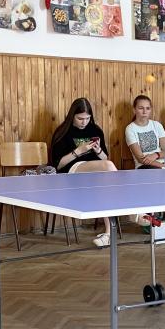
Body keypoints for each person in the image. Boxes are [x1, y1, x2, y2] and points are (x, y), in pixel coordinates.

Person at [51, 98, 118, 247]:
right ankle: (134, 214)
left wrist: (98, 150)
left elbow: (104, 158)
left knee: (106, 186)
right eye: (80, 118)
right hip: (72, 171)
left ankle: (108, 233)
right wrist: (78, 151)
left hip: (94, 172)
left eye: (87, 118)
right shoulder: (63, 132)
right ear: (72, 116)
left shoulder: (95, 130)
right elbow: (58, 165)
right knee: (109, 167)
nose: (84, 122)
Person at [125, 95, 165, 169]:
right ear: (134, 110)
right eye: (141, 108)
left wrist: (156, 155)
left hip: (164, 163)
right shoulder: (130, 129)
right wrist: (163, 167)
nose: (144, 112)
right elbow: (140, 159)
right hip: (144, 166)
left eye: (148, 108)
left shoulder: (157, 125)